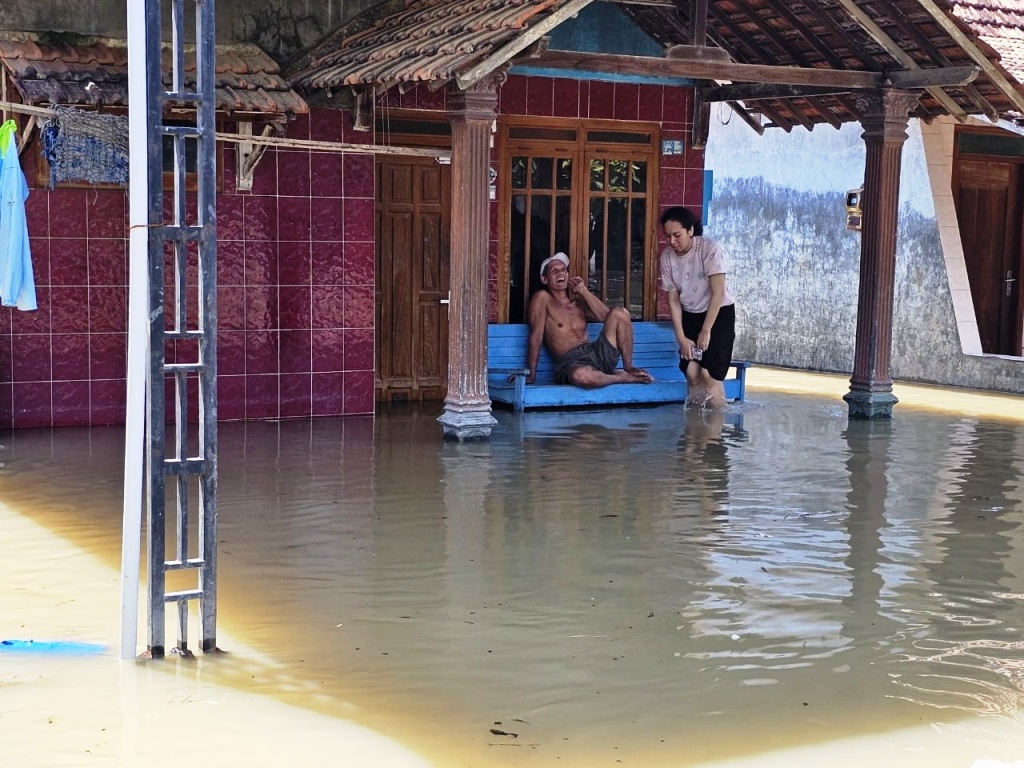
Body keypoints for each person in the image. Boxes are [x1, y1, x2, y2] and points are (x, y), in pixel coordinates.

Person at [525, 252, 653, 388]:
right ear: (544, 279)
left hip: (596, 353)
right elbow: (536, 337)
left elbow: (607, 317)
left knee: (620, 313)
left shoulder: (578, 304)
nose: (560, 273)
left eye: (563, 270)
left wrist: (583, 290)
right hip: (570, 362)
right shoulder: (542, 298)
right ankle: (622, 378)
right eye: (554, 271)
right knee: (581, 376)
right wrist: (531, 374)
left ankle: (628, 368)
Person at [659, 206, 736, 408]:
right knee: (692, 373)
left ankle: (714, 435)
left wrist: (706, 330)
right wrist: (681, 338)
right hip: (689, 314)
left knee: (709, 374)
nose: (672, 242)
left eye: (677, 235)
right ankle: (694, 434)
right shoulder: (667, 258)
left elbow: (718, 293)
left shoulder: (709, 248)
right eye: (667, 237)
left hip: (717, 315)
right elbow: (673, 300)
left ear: (690, 230)